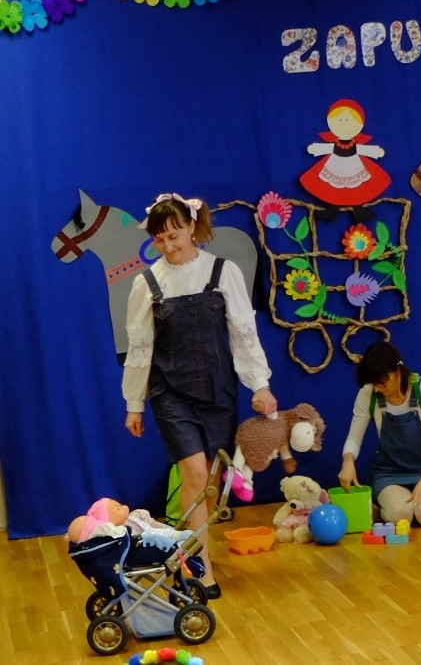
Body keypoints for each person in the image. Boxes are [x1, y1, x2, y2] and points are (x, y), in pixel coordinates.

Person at [122, 192, 277, 598]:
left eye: (174, 236)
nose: (168, 246)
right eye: (159, 240)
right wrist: (134, 403)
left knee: (208, 482)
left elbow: (243, 333)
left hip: (217, 390)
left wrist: (259, 385)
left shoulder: (224, 272)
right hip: (170, 392)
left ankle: (189, 551)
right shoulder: (146, 283)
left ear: (192, 227)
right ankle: (200, 567)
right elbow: (140, 347)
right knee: (192, 473)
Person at [338, 342, 421, 526]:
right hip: (389, 473)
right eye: (373, 384)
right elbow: (354, 438)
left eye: (381, 383)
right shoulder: (368, 394)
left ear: (397, 371)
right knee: (402, 516)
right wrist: (348, 461)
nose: (376, 389)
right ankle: (386, 504)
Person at [299, 98, 391, 221]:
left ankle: (359, 211)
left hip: (354, 164)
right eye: (340, 120)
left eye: (348, 120)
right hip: (335, 164)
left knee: (357, 188)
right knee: (334, 188)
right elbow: (328, 148)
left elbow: (361, 149)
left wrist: (375, 152)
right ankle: (332, 210)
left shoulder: (355, 144)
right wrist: (316, 149)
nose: (344, 124)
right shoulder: (335, 144)